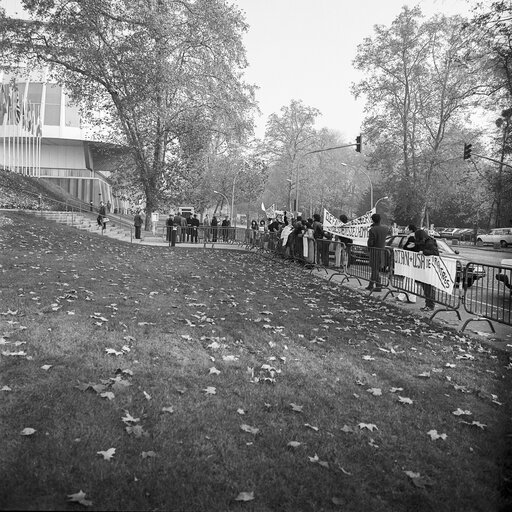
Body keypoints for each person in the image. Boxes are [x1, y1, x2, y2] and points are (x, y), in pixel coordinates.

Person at [414, 227, 439, 311]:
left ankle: (430, 304)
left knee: (428, 287)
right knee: (426, 287)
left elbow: (435, 253)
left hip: (429, 267)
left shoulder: (430, 242)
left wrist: (424, 252)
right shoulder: (425, 241)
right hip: (425, 267)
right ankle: (428, 303)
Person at [366, 213, 388, 291]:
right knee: (376, 269)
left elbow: (371, 242)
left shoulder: (372, 230)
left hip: (374, 250)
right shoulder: (385, 229)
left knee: (374, 269)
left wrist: (369, 247)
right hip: (382, 250)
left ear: (372, 220)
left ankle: (375, 285)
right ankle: (374, 285)